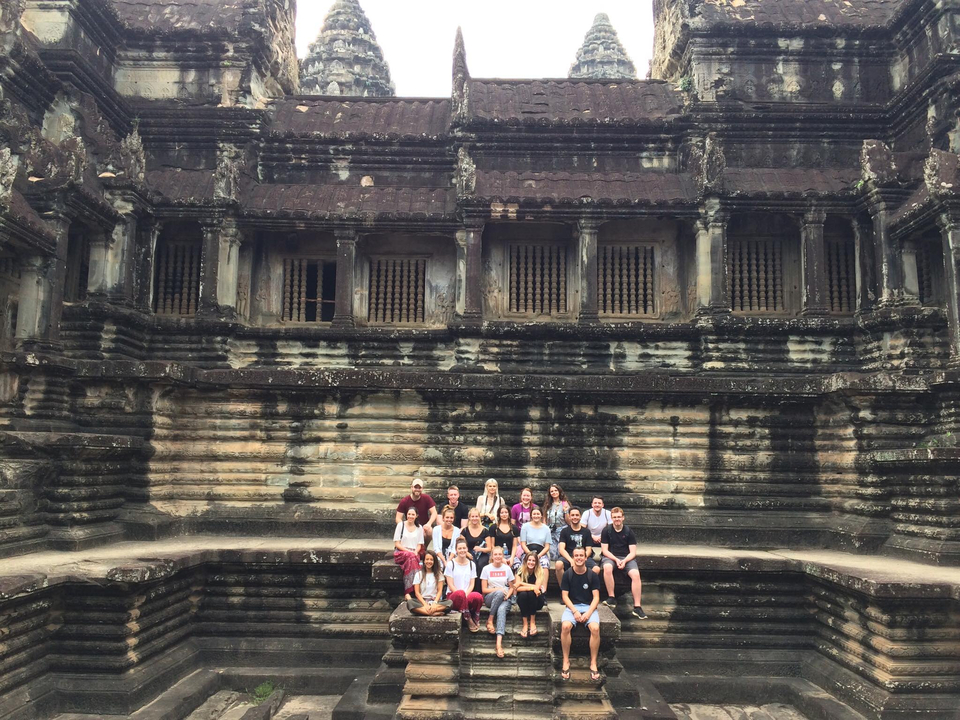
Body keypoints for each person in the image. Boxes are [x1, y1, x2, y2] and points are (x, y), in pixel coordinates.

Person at [560, 546, 602, 682]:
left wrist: (588, 613)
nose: (578, 558)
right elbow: (565, 596)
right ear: (573, 558)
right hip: (573, 607)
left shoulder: (592, 575)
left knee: (595, 628)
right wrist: (575, 611)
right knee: (566, 626)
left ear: (585, 557)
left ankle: (593, 662)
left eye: (581, 555)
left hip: (589, 607)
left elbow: (596, 597)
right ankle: (566, 660)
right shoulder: (568, 574)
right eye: (576, 555)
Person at [600, 507, 646, 619]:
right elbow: (605, 550)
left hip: (627, 557)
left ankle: (637, 607)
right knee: (607, 568)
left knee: (635, 575)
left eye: (619, 517)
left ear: (623, 518)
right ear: (611, 518)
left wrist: (624, 561)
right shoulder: (606, 531)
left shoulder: (628, 531)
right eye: (615, 517)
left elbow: (633, 552)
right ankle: (611, 597)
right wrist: (616, 559)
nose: (617, 519)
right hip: (611, 556)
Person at [480, 546, 515, 658]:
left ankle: (498, 644)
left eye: (500, 554)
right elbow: (484, 590)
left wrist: (507, 596)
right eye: (495, 554)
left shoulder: (507, 569)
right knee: (499, 593)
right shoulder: (486, 569)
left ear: (503, 556)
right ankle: (490, 619)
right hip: (491, 598)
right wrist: (498, 590)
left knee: (501, 610)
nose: (498, 556)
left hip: (505, 598)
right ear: (492, 556)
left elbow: (512, 587)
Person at [445, 537, 483, 632]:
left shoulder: (471, 564)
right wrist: (462, 595)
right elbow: (450, 585)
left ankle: (475, 616)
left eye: (464, 548)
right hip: (454, 596)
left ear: (467, 549)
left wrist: (465, 596)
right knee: (460, 593)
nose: (462, 550)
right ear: (456, 550)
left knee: (478, 596)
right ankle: (468, 618)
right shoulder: (451, 564)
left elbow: (472, 584)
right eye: (460, 548)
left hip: (466, 594)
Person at [555, 507, 600, 586]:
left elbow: (589, 549)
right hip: (568, 556)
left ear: (580, 516)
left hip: (583, 556)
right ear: (569, 517)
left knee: (596, 569)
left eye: (577, 515)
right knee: (558, 564)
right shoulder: (565, 531)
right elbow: (561, 549)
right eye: (572, 515)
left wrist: (582, 558)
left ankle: (584, 589)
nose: (574, 517)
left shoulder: (586, 531)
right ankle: (564, 589)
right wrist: (571, 560)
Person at [408, 551, 453, 616]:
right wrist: (425, 604)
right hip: (422, 602)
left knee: (449, 603)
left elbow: (439, 591)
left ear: (434, 561)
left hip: (435, 602)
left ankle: (424, 612)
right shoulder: (418, 574)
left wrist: (434, 603)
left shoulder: (439, 574)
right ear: (424, 561)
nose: (429, 561)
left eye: (431, 560)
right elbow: (417, 593)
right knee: (410, 603)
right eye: (427, 559)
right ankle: (432, 613)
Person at [514, 551, 547, 638]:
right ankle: (525, 624)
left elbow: (538, 588)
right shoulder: (520, 570)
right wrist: (532, 588)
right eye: (529, 560)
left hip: (537, 600)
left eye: (533, 561)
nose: (531, 562)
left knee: (532, 594)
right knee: (524, 594)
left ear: (536, 563)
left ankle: (532, 622)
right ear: (525, 561)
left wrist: (521, 583)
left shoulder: (540, 571)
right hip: (524, 600)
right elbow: (517, 589)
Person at [517, 506, 551, 588]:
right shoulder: (525, 527)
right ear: (531, 515)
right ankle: (520, 588)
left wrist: (538, 556)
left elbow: (547, 546)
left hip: (541, 553)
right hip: (527, 552)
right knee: (520, 565)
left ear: (541, 515)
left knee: (545, 564)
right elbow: (523, 543)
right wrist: (529, 554)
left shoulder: (546, 529)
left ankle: (543, 590)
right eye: (534, 514)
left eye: (538, 514)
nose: (536, 516)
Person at [393, 507, 424, 598]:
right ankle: (413, 590)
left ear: (416, 516)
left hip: (414, 553)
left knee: (412, 559)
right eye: (409, 514)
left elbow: (419, 544)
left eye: (413, 514)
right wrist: (408, 551)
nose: (410, 516)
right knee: (411, 557)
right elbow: (397, 544)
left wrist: (415, 551)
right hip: (401, 552)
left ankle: (409, 591)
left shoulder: (419, 528)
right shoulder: (401, 525)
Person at [543, 483, 570, 561]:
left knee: (560, 551)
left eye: (555, 490)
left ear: (559, 491)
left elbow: (568, 521)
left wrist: (566, 512)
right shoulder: (548, 504)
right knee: (552, 553)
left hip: (561, 530)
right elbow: (544, 517)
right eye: (552, 491)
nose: (554, 492)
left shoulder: (564, 503)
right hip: (550, 530)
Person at [462, 508, 493, 575]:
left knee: (481, 564)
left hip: (482, 553)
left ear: (479, 517)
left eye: (476, 516)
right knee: (473, 564)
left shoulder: (485, 531)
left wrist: (481, 549)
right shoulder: (464, 531)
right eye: (472, 516)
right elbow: (461, 545)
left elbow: (489, 548)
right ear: (469, 518)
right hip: (468, 552)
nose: (474, 518)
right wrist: (467, 553)